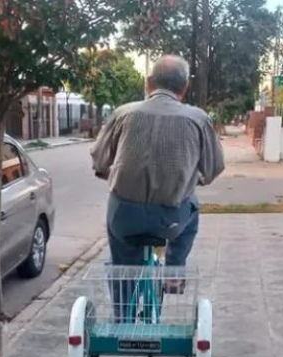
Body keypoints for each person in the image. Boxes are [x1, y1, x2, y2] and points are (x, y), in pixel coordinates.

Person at [90, 55, 224, 310]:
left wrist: (114, 173)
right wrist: (189, 177)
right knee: (192, 209)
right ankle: (173, 272)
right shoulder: (197, 119)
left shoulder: (123, 114)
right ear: (184, 88)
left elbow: (99, 162)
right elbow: (212, 169)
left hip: (125, 217)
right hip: (171, 219)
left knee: (121, 263)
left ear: (148, 83)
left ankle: (122, 318)